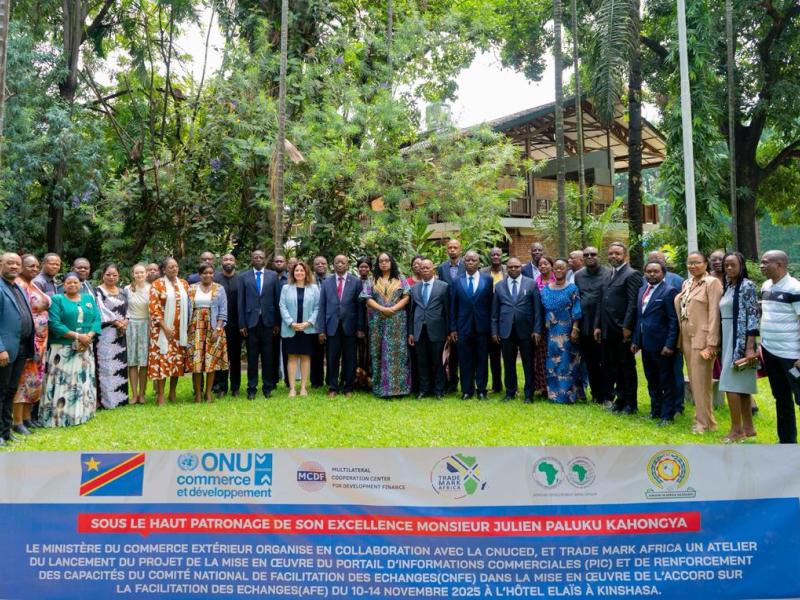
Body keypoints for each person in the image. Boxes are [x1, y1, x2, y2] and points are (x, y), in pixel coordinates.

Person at [40, 271, 100, 427]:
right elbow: (54, 324)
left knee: (82, 380)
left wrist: (89, 336)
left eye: (76, 282)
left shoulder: (88, 298)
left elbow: (97, 318)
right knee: (64, 382)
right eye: (69, 283)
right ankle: (60, 417)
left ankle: (82, 414)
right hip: (63, 348)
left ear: (81, 284)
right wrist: (78, 336)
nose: (73, 285)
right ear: (63, 285)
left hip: (85, 347)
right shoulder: (57, 299)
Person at [675, 251, 723, 434]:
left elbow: (714, 315)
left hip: (702, 339)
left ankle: (703, 423)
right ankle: (706, 420)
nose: (692, 266)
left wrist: (712, 343)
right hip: (687, 337)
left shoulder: (712, 283)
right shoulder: (687, 283)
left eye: (697, 263)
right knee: (695, 380)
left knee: (701, 382)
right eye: (689, 263)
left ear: (706, 263)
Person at [594, 242, 643, 414]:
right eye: (611, 253)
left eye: (617, 253)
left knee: (626, 367)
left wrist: (628, 326)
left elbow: (632, 303)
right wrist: (597, 326)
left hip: (622, 330)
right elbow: (602, 302)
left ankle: (631, 403)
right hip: (607, 330)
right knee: (613, 367)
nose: (614, 256)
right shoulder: (608, 275)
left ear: (625, 256)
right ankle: (619, 400)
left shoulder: (632, 274)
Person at [758, 250, 800, 444]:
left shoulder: (795, 288)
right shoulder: (766, 286)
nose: (761, 266)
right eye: (761, 263)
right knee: (781, 398)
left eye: (766, 263)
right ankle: (787, 442)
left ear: (780, 265)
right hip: (770, 353)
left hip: (791, 356)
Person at [631, 260, 679, 425]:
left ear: (663, 273)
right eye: (649, 271)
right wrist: (636, 341)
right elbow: (640, 318)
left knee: (666, 380)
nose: (652, 274)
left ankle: (667, 415)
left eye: (655, 271)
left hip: (662, 345)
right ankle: (655, 410)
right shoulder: (642, 290)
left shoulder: (669, 291)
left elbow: (674, 321)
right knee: (652, 379)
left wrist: (669, 344)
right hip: (646, 344)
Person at [718, 252, 759, 442]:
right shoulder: (730, 286)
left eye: (732, 265)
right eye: (726, 265)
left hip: (739, 340)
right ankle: (749, 428)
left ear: (741, 266)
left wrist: (750, 347)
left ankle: (736, 430)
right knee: (740, 384)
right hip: (728, 335)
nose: (728, 268)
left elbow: (753, 316)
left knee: (729, 383)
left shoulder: (747, 286)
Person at [491, 257, 543, 403]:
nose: (513, 269)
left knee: (528, 362)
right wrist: (494, 331)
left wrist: (537, 330)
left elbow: (537, 310)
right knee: (508, 363)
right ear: (506, 268)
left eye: (516, 266)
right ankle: (510, 392)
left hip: (526, 331)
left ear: (521, 267)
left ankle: (528, 394)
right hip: (506, 330)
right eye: (510, 267)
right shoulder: (500, 286)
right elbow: (494, 311)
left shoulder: (531, 284)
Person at [361, 253, 411, 398]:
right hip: (378, 322)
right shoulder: (372, 280)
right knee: (378, 353)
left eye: (386, 260)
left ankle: (399, 389)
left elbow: (406, 297)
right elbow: (367, 299)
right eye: (381, 261)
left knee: (398, 354)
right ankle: (381, 388)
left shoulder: (401, 279)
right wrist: (383, 309)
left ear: (391, 262)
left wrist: (393, 309)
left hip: (397, 322)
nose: (384, 263)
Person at [12, 255, 50, 434]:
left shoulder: (33, 284)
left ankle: (27, 418)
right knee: (22, 381)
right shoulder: (18, 285)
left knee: (34, 381)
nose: (34, 269)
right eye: (30, 266)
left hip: (41, 342)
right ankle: (17, 421)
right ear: (21, 267)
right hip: (28, 341)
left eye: (36, 266)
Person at [0, 254, 35, 445]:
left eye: (17, 264)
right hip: (5, 350)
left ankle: (5, 431)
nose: (14, 266)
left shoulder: (18, 287)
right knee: (1, 390)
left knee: (11, 390)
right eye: (10, 263)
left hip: (21, 348)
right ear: (1, 264)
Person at [318, 255, 364, 398]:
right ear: (333, 264)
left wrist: (360, 328)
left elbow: (360, 307)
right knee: (332, 358)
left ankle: (348, 387)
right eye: (337, 262)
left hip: (350, 327)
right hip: (332, 326)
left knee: (350, 358)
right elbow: (322, 306)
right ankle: (333, 387)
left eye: (342, 262)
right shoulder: (327, 282)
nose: (339, 264)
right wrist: (321, 330)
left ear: (347, 264)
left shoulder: (356, 282)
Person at [450, 251, 493, 400]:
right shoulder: (456, 281)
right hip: (463, 327)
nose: (470, 262)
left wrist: (492, 328)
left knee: (482, 359)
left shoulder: (488, 280)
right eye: (467, 260)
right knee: (465, 359)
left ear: (478, 262)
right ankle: (467, 390)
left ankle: (481, 390)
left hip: (482, 327)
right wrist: (453, 328)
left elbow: (490, 305)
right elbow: (453, 306)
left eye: (473, 260)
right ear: (463, 262)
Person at [647, 249, 686, 415]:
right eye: (651, 259)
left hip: (669, 338)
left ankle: (677, 406)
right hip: (650, 340)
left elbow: (676, 314)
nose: (652, 273)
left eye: (658, 259)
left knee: (674, 373)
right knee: (654, 376)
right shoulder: (645, 284)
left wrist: (671, 341)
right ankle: (658, 406)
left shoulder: (676, 281)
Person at [238, 250, 280, 400]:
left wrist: (277, 322)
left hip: (268, 323)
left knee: (268, 357)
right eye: (255, 257)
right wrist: (242, 323)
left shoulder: (273, 276)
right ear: (251, 259)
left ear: (265, 260)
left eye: (260, 257)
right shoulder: (243, 277)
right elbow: (240, 302)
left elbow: (277, 301)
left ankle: (268, 387)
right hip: (251, 323)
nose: (258, 259)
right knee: (252, 357)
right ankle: (251, 388)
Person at [540, 258, 583, 404]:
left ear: (567, 270)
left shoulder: (572, 288)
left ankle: (569, 395)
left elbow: (576, 310)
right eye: (556, 268)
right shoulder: (545, 290)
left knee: (567, 363)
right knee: (552, 364)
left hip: (567, 331)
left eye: (562, 268)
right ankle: (554, 395)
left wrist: (575, 329)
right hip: (550, 333)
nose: (558, 270)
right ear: (553, 270)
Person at [148, 257, 190, 405]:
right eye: (171, 267)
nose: (174, 269)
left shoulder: (183, 284)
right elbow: (154, 309)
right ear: (164, 270)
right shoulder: (157, 285)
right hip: (161, 330)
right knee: (162, 361)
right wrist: (165, 328)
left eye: (176, 266)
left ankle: (172, 393)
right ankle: (160, 395)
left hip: (179, 331)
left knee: (176, 361)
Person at [408, 259, 450, 400]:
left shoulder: (443, 287)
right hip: (419, 330)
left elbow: (447, 311)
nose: (425, 270)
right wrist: (411, 332)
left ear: (433, 269)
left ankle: (438, 390)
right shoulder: (414, 289)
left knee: (438, 361)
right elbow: (411, 312)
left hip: (437, 330)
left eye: (427, 267)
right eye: (423, 268)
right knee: (422, 361)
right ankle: (424, 390)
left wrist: (449, 331)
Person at [187, 264, 228, 403]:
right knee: (197, 362)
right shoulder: (192, 289)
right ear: (200, 274)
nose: (208, 275)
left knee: (212, 361)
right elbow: (187, 310)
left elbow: (223, 312)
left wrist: (218, 329)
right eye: (205, 273)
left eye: (211, 273)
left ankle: (208, 393)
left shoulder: (219, 289)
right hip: (196, 328)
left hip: (214, 328)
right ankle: (198, 393)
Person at [574, 247, 609, 404]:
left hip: (604, 324)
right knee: (590, 361)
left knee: (605, 361)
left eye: (593, 254)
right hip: (585, 324)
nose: (589, 257)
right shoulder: (578, 275)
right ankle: (595, 394)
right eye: (586, 255)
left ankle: (607, 395)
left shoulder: (608, 274)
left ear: (598, 256)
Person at [280, 261, 320, 397]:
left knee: (305, 357)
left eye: (302, 270)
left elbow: (317, 307)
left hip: (307, 329)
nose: (299, 273)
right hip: (290, 329)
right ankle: (292, 388)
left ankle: (303, 387)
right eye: (296, 270)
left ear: (306, 272)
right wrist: (291, 323)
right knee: (291, 357)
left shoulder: (314, 288)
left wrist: (309, 322)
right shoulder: (286, 288)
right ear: (293, 273)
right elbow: (282, 306)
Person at [95, 263, 129, 409]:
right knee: (106, 366)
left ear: (118, 276)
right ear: (103, 275)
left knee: (120, 364)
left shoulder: (122, 291)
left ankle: (121, 400)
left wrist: (125, 322)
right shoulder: (98, 291)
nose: (111, 277)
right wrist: (116, 322)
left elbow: (128, 309)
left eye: (114, 275)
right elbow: (100, 311)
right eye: (108, 274)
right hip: (106, 333)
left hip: (121, 333)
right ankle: (107, 402)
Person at [438, 239, 465, 393]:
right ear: (447, 250)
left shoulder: (466, 265)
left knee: (465, 352)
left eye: (455, 247)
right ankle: (452, 382)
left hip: (464, 313)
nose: (453, 250)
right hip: (448, 312)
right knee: (451, 353)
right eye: (450, 248)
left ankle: (468, 382)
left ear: (460, 249)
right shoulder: (442, 268)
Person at [213, 253, 242, 397]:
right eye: (225, 259)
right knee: (221, 357)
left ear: (235, 262)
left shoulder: (241, 279)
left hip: (237, 325)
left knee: (235, 357)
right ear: (221, 262)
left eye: (231, 259)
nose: (228, 261)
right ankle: (221, 387)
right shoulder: (215, 279)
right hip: (219, 324)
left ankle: (235, 387)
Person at [481, 247, 507, 394]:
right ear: (489, 257)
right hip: (489, 316)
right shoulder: (483, 272)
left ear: (501, 256)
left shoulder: (508, 270)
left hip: (506, 316)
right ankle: (497, 386)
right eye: (493, 254)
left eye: (498, 254)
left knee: (508, 355)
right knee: (494, 354)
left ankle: (511, 385)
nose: (496, 256)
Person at [124, 264, 150, 405]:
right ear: (133, 274)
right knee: (132, 362)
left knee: (144, 363)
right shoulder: (127, 289)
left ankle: (142, 394)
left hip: (146, 325)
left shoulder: (151, 289)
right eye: (137, 272)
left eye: (142, 272)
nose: (139, 275)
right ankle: (134, 394)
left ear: (146, 274)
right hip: (131, 326)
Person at [532, 256, 555, 396]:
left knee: (555, 355)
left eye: (546, 263)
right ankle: (543, 387)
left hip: (555, 324)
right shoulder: (535, 282)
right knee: (541, 356)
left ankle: (555, 386)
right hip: (540, 323)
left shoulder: (557, 280)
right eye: (540, 264)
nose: (543, 266)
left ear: (551, 266)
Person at [311, 255, 329, 389]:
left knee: (331, 353)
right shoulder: (309, 280)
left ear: (327, 265)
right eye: (317, 264)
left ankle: (330, 379)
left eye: (323, 263)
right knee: (316, 353)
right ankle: (316, 381)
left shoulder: (332, 280)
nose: (320, 266)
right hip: (313, 322)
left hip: (331, 321)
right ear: (313, 266)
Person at [355, 257, 372, 390]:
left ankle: (369, 380)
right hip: (358, 322)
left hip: (372, 321)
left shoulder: (373, 282)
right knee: (358, 352)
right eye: (361, 266)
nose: (363, 269)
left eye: (366, 266)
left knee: (369, 352)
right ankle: (357, 379)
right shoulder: (354, 283)